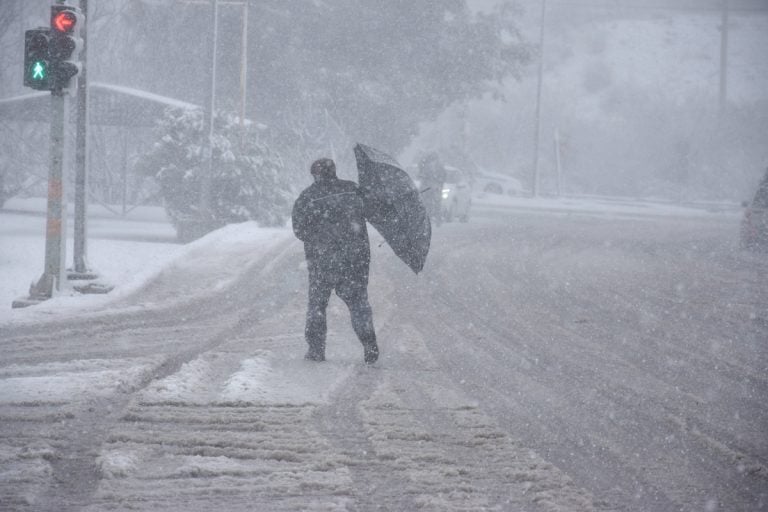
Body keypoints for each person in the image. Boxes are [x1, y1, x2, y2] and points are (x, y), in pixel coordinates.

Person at [292, 158, 379, 364]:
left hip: (322, 260)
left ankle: (316, 350)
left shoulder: (307, 197)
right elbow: (374, 209)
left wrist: (319, 238)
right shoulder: (353, 190)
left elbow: (299, 230)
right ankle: (369, 343)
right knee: (358, 303)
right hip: (355, 258)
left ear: (315, 175)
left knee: (317, 305)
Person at [417, 152, 446, 226]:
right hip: (429, 187)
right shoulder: (426, 167)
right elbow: (421, 176)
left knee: (435, 203)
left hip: (434, 187)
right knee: (430, 203)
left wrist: (439, 183)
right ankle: (431, 219)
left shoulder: (438, 167)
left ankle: (436, 220)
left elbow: (443, 176)